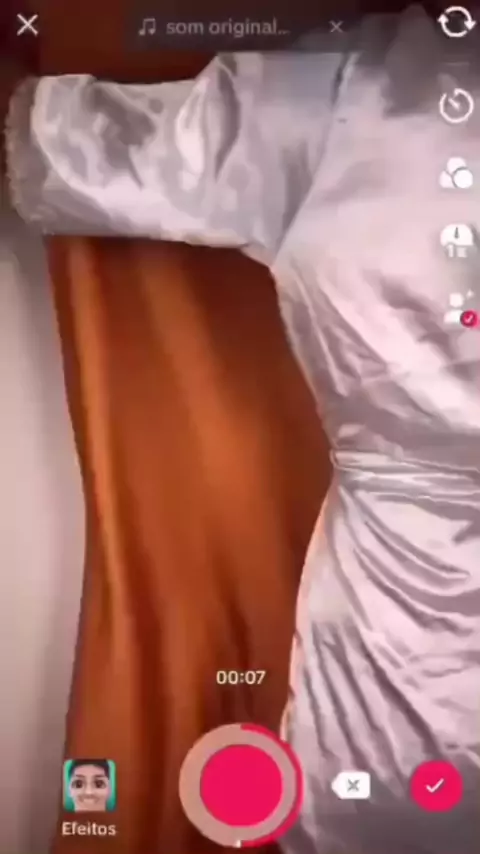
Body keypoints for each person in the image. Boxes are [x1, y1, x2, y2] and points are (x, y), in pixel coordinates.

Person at [1, 5, 479, 853]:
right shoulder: (345, 90)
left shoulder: (351, 88)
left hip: (399, 651)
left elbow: (57, 148)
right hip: (398, 636)